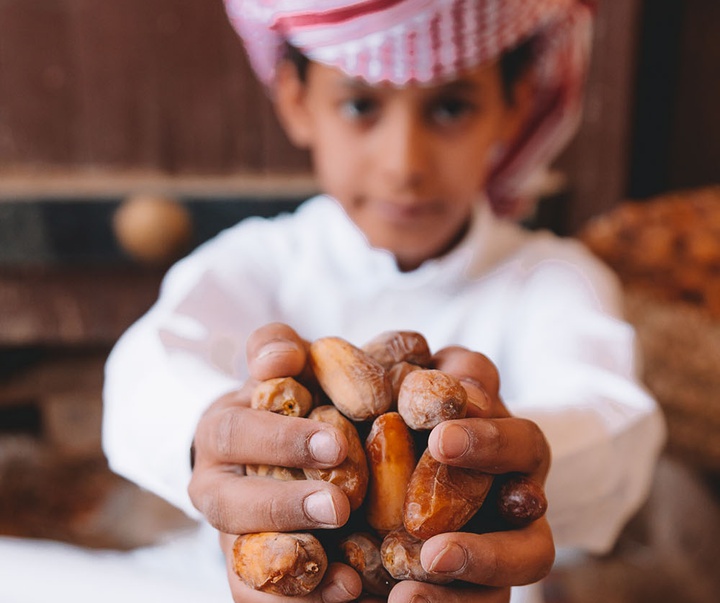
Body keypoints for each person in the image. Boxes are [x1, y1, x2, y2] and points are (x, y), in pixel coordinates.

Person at [99, 1, 666, 603]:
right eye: (360, 105)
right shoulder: (256, 259)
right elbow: (143, 371)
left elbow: (616, 427)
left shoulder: (554, 277)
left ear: (514, 106)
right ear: (296, 103)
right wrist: (210, 436)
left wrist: (516, 456)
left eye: (450, 107)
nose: (404, 165)